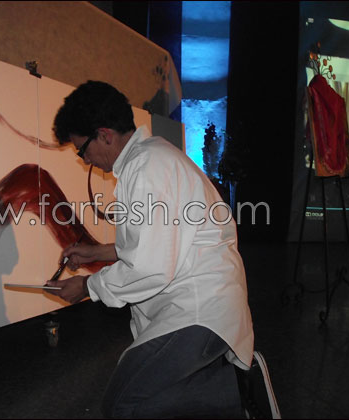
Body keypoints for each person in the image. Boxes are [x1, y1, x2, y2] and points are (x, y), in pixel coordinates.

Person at [47, 81, 253, 418]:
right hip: (201, 305)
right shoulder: (150, 158)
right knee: (142, 398)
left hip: (198, 310)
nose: (85, 161)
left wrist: (87, 286)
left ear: (105, 135)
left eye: (82, 150)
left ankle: (231, 396)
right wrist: (97, 252)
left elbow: (151, 266)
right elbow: (154, 241)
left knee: (124, 404)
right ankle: (228, 396)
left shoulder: (147, 168)